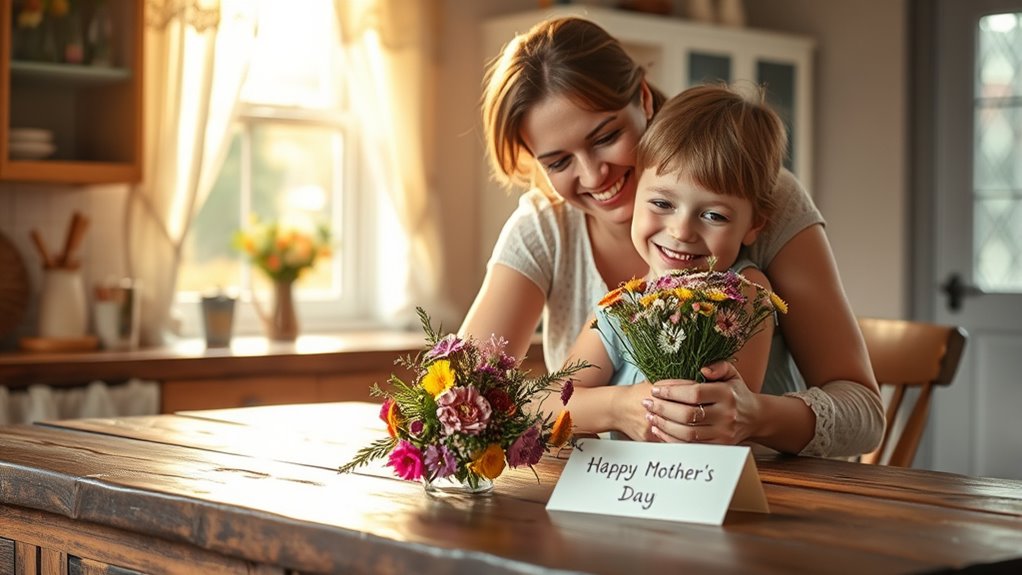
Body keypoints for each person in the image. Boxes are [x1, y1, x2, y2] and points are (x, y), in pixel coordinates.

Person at [461, 16, 883, 456]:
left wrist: (755, 415)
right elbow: (467, 398)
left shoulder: (753, 246)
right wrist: (617, 407)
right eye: (558, 162)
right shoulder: (589, 273)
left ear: (643, 99)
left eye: (606, 136)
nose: (594, 175)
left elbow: (860, 417)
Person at [565, 84, 810, 449]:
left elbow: (719, 422)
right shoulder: (621, 306)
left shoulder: (745, 293)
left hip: (737, 482)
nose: (681, 231)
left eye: (713, 215)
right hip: (636, 483)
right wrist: (618, 407)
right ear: (636, 194)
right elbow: (547, 403)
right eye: (662, 204)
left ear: (754, 225)